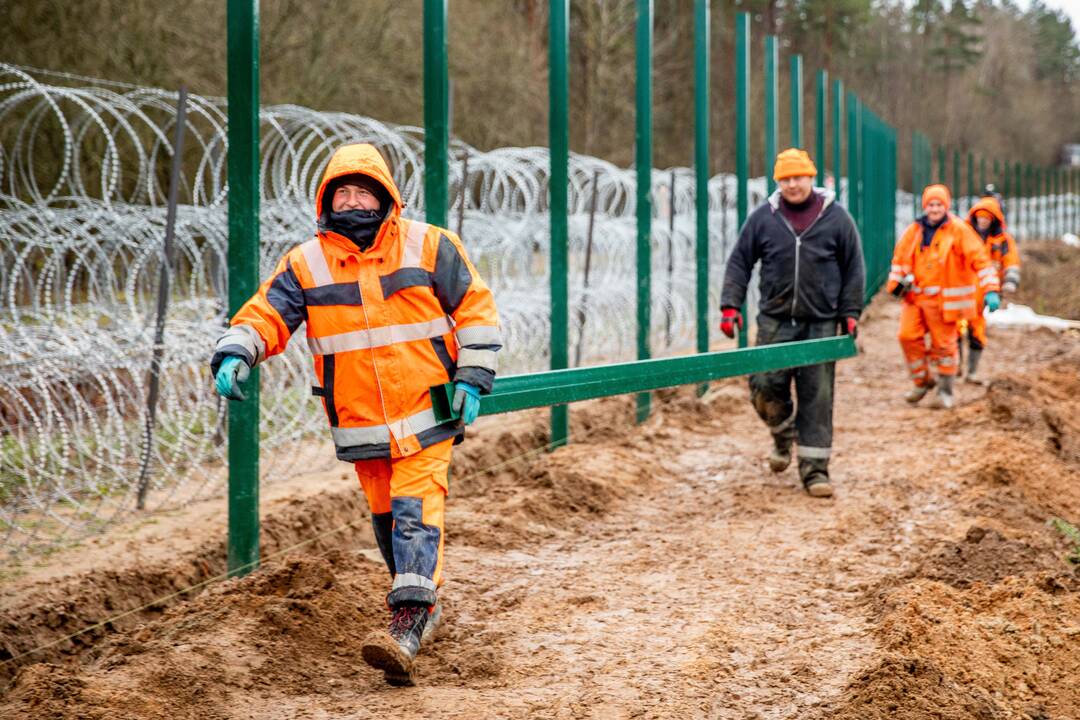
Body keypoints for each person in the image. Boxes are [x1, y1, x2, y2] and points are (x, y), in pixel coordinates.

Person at [210, 143, 501, 685]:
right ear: (326, 199)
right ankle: (420, 601)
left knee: (416, 504)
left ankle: (408, 622)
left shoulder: (431, 245)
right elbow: (268, 313)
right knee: (388, 516)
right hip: (360, 421)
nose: (352, 200)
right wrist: (237, 349)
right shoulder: (306, 262)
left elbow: (477, 312)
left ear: (385, 195)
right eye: (341, 191)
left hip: (429, 411)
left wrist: (474, 374)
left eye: (362, 190)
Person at [720, 148, 865, 498]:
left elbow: (853, 266)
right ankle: (783, 434)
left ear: (810, 178)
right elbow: (740, 261)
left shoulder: (837, 219)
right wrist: (730, 305)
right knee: (764, 385)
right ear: (777, 182)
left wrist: (850, 312)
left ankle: (815, 472)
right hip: (775, 319)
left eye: (798, 177)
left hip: (821, 321)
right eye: (785, 179)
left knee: (818, 395)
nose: (792, 184)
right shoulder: (763, 218)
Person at [888, 184, 999, 409]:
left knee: (945, 345)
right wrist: (895, 286)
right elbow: (900, 260)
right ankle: (922, 381)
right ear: (925, 206)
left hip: (943, 302)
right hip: (915, 299)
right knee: (907, 336)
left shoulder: (959, 230)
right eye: (930, 204)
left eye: (939, 204)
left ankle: (945, 391)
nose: (934, 208)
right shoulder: (915, 231)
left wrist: (991, 289)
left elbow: (980, 260)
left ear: (945, 206)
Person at [964, 196, 1020, 383]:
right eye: (980, 217)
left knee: (977, 329)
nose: (982, 221)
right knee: (955, 329)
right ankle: (954, 367)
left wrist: (1009, 282)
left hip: (986, 291)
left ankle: (972, 371)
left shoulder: (1002, 241)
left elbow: (1010, 262)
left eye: (986, 218)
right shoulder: (965, 236)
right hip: (962, 290)